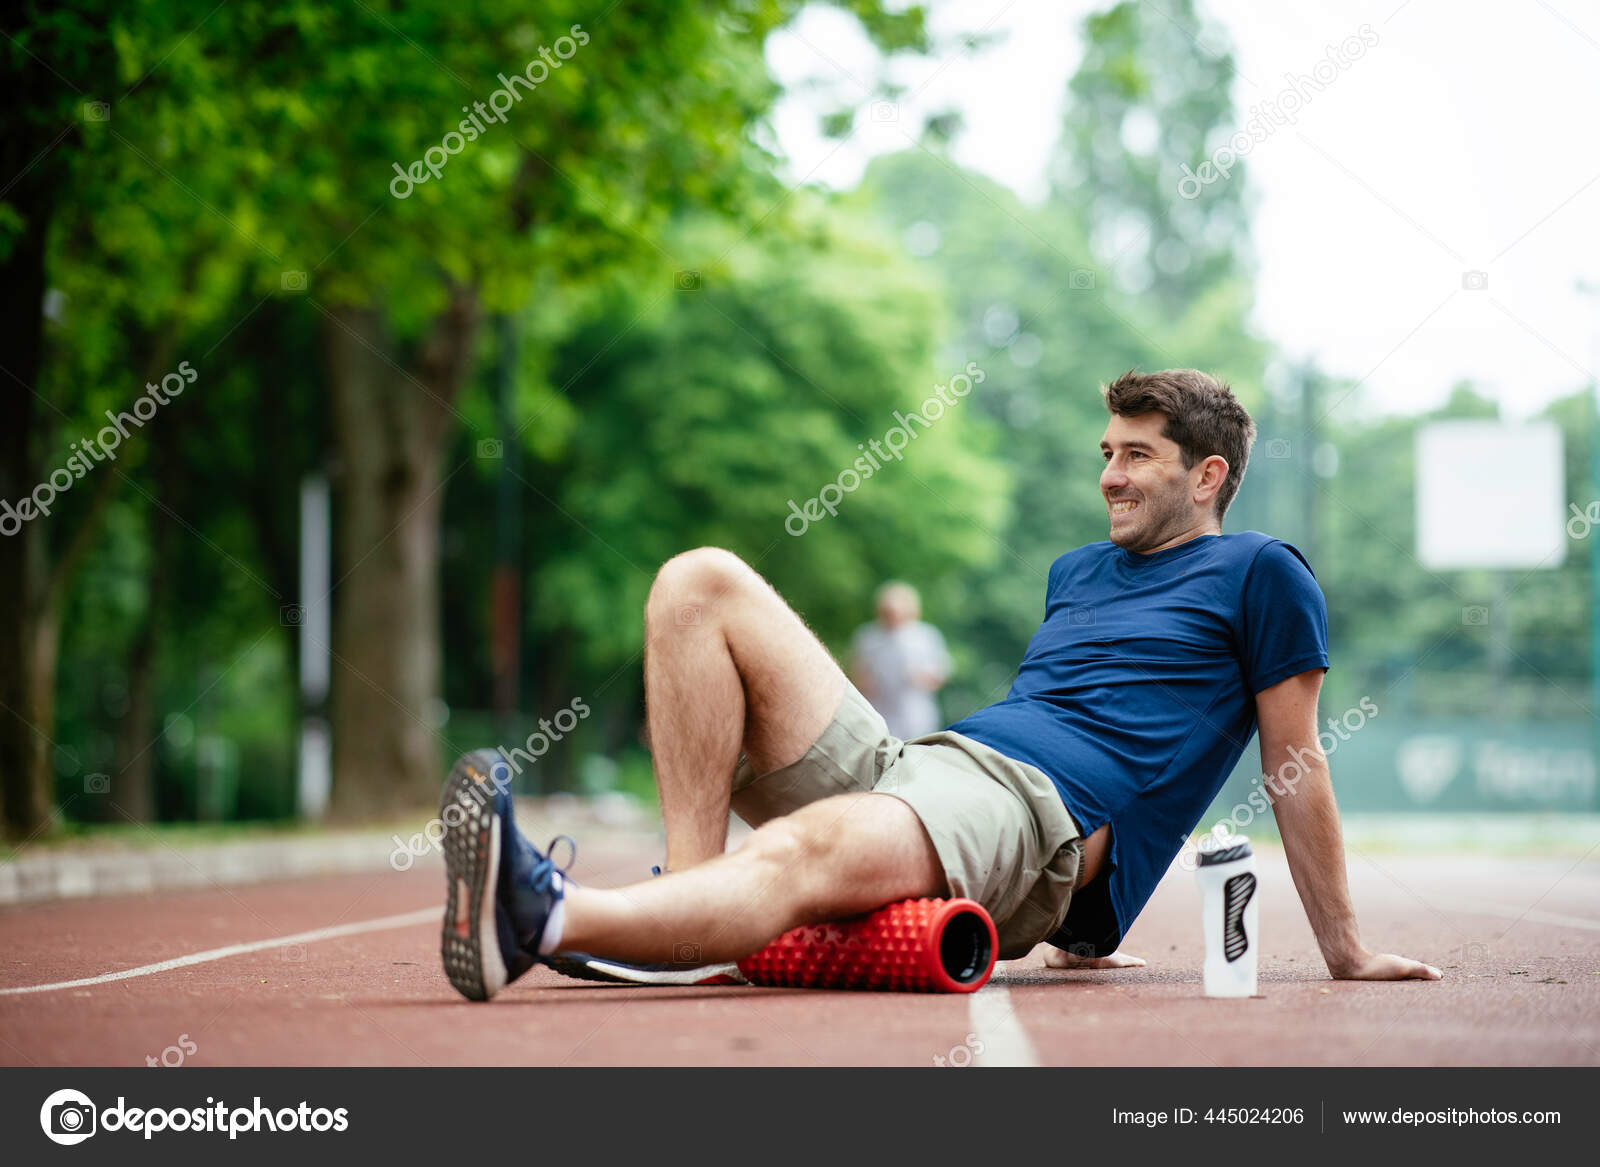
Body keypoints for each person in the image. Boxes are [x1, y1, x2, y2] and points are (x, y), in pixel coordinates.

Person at [438, 368, 1442, 1001]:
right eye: (1106, 453)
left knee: (810, 849)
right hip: (928, 765)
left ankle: (548, 917)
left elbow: (1294, 763)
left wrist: (1344, 949)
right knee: (697, 582)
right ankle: (689, 914)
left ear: (1208, 475)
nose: (1109, 475)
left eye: (1138, 456)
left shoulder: (1263, 572)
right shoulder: (1075, 571)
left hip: (1033, 809)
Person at [850, 581, 951, 740]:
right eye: (887, 613)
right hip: (878, 713)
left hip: (915, 717)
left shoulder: (926, 636)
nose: (892, 618)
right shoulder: (868, 637)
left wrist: (919, 677)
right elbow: (857, 674)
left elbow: (940, 675)